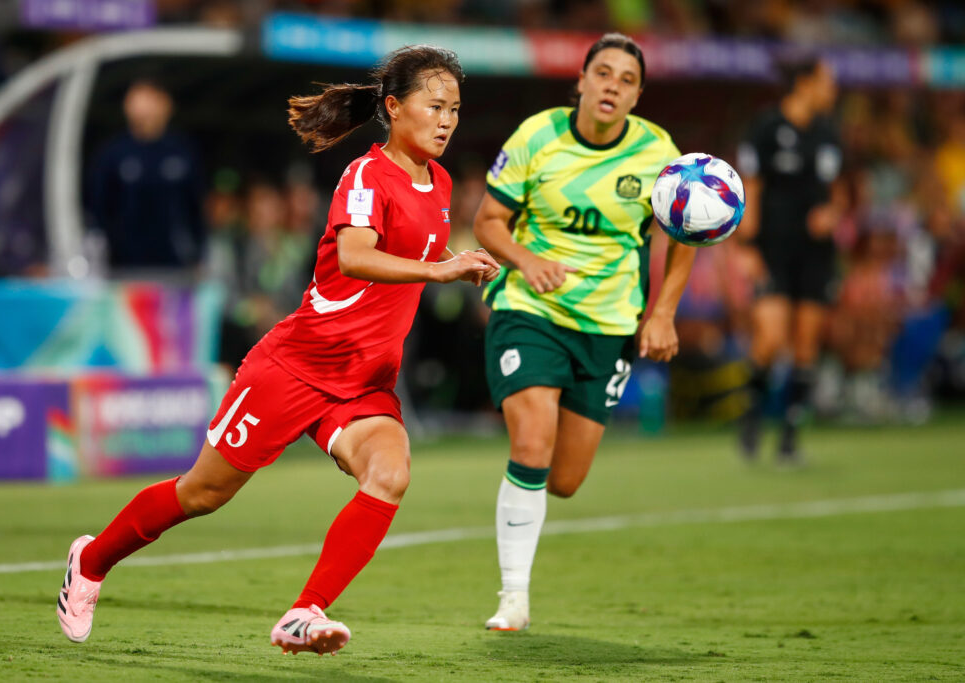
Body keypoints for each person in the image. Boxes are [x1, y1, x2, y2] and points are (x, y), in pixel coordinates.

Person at [57, 45, 499, 656]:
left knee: (390, 474)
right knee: (201, 494)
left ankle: (304, 612)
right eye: (434, 105)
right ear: (395, 108)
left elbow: (404, 267)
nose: (447, 120)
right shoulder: (367, 175)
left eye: (454, 108)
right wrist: (442, 272)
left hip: (363, 381)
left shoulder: (442, 182)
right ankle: (92, 561)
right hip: (297, 365)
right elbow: (354, 256)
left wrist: (457, 267)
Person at [472, 33, 696, 631]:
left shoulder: (658, 153)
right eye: (603, 73)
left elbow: (685, 237)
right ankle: (513, 597)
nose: (612, 87)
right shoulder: (537, 136)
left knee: (565, 481)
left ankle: (528, 489)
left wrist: (664, 312)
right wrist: (526, 260)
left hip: (609, 326)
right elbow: (488, 220)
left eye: (626, 80)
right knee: (532, 445)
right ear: (581, 79)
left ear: (638, 95)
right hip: (531, 310)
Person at [735, 54, 843, 463]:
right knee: (771, 338)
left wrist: (831, 214)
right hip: (772, 250)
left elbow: (836, 193)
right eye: (826, 81)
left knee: (805, 344)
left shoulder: (829, 132)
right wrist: (746, 248)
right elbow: (751, 187)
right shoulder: (766, 127)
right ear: (804, 83)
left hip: (815, 254)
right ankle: (751, 418)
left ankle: (790, 439)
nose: (832, 90)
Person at [88, 78, 207, 271]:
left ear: (165, 104)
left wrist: (199, 254)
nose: (140, 106)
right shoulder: (113, 153)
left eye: (147, 98)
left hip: (175, 264)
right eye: (134, 99)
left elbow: (196, 208)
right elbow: (99, 207)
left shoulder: (182, 151)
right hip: (124, 265)